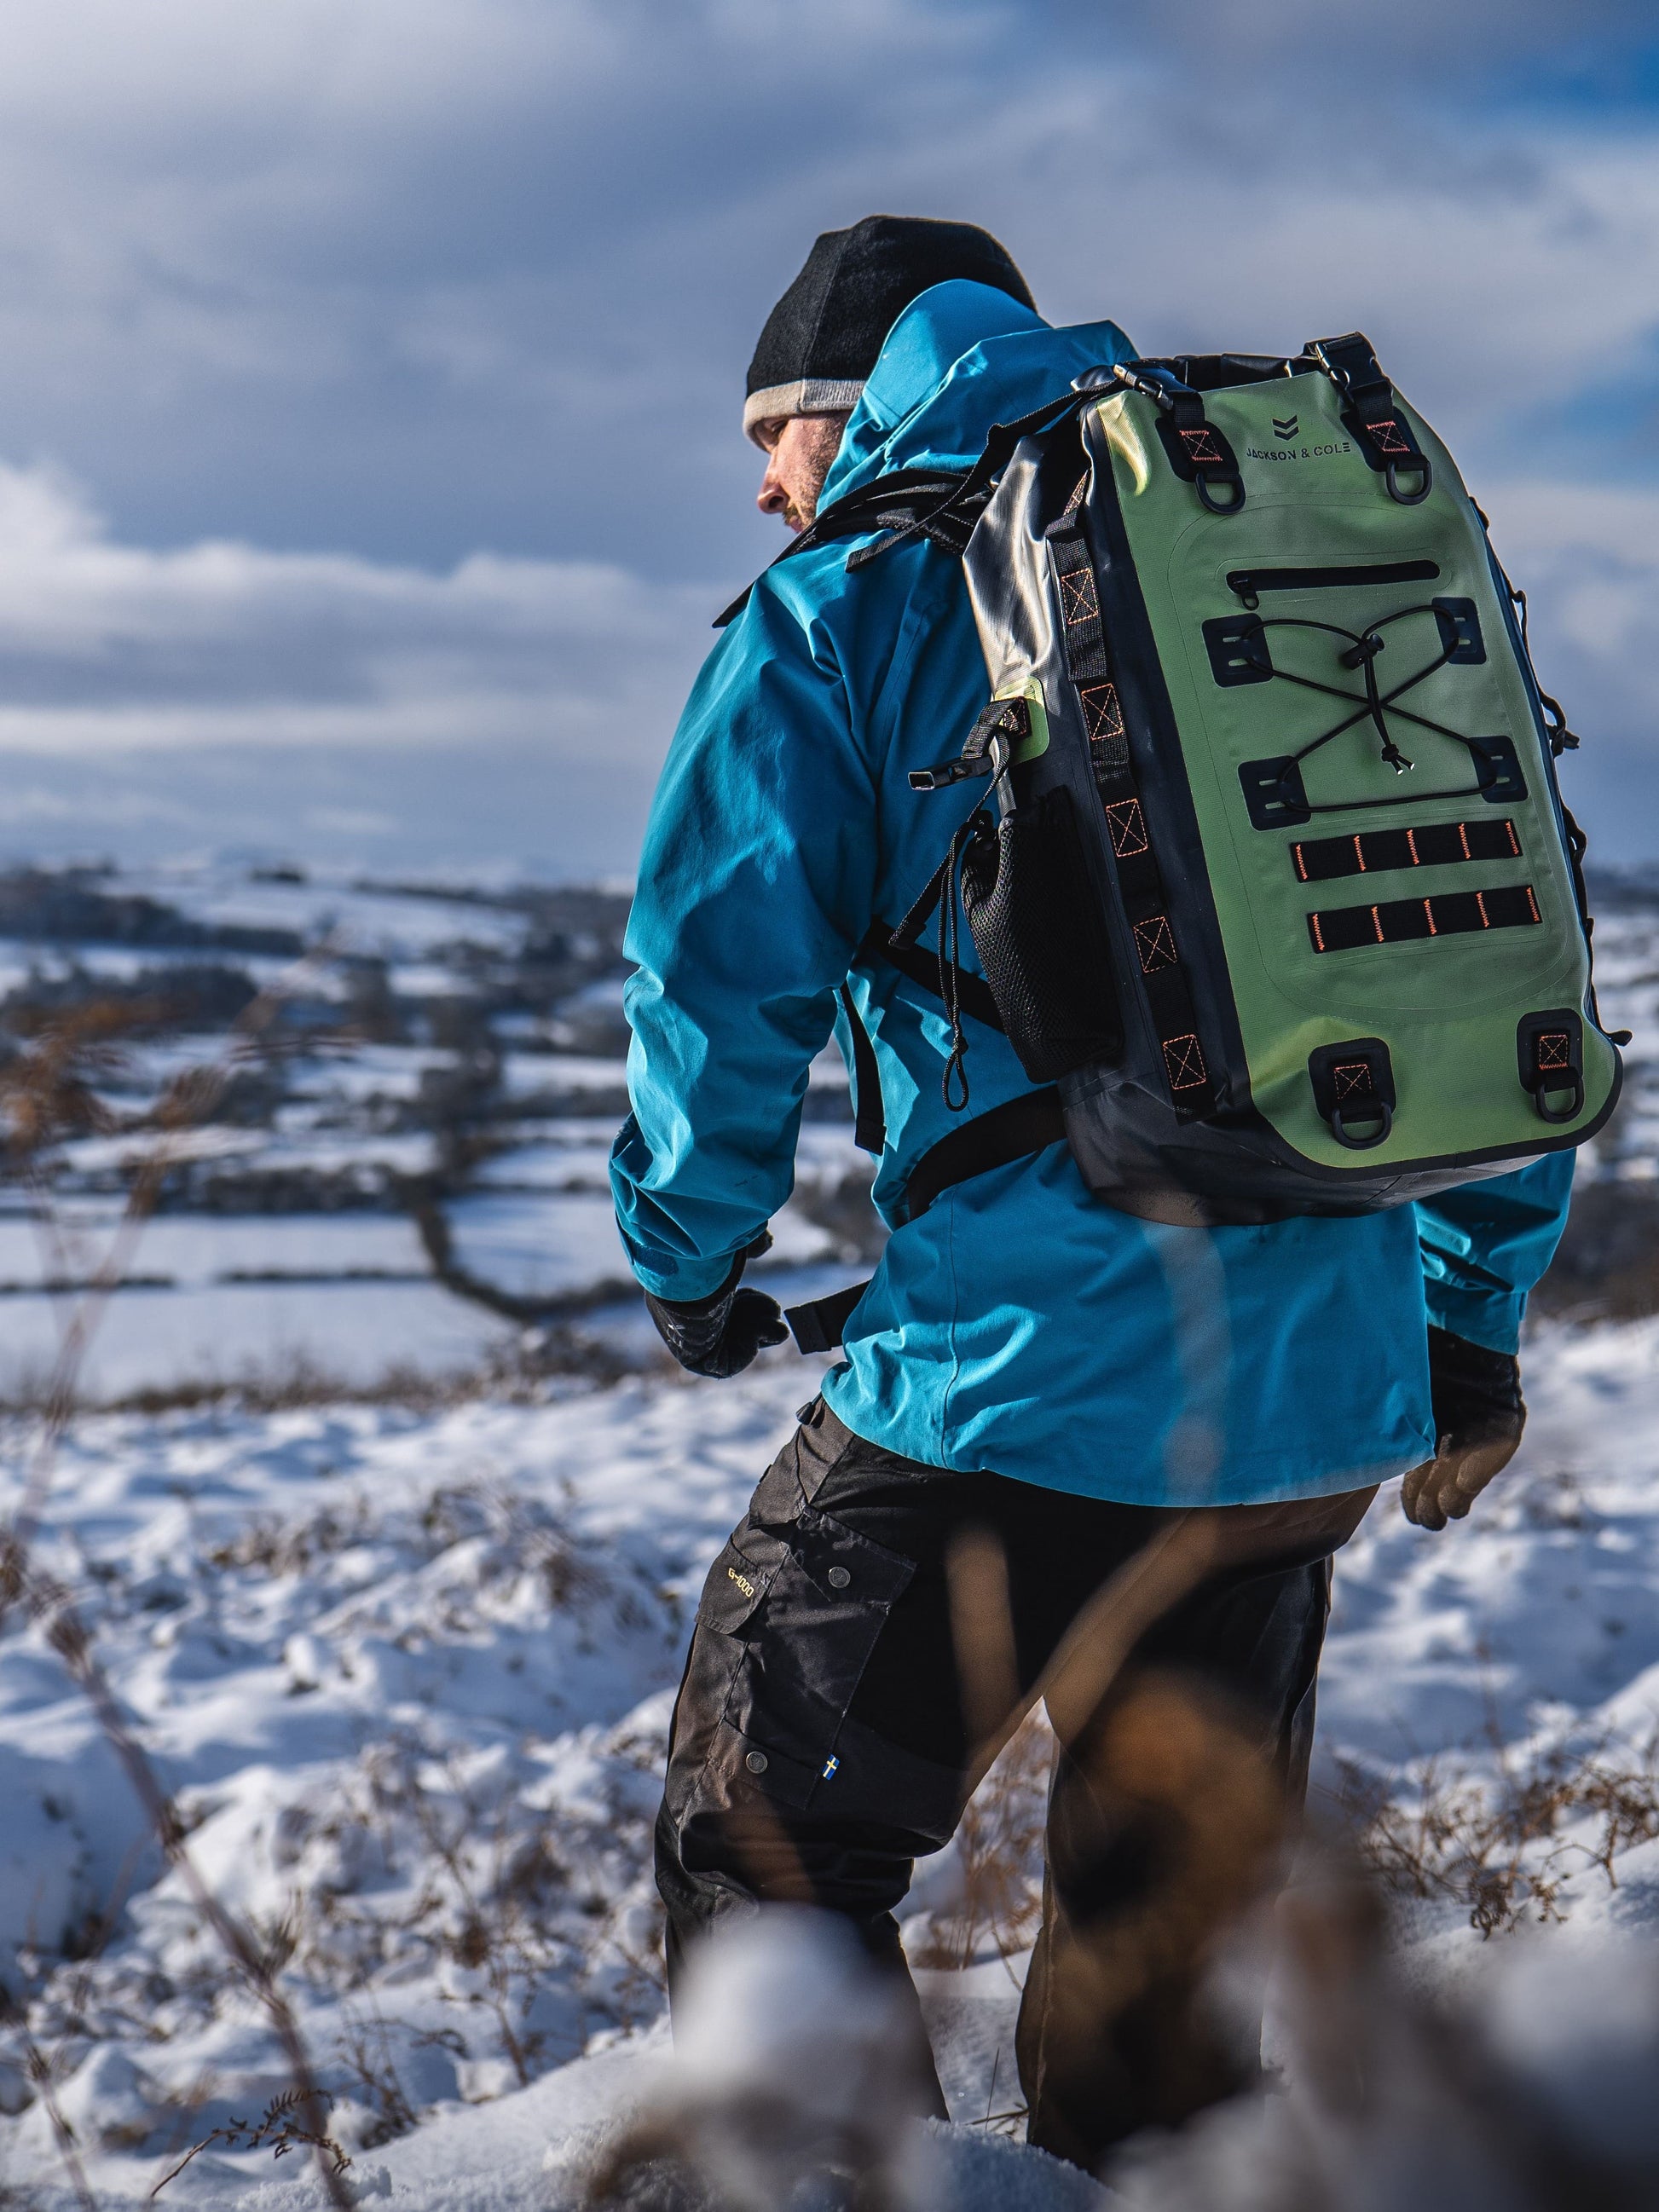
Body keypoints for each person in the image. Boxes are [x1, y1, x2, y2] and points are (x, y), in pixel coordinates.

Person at [610, 214, 1570, 2168]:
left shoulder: (845, 603)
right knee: (1168, 1943)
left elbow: (714, 976)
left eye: (768, 439)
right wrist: (1466, 1322)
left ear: (840, 404)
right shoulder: (1290, 559)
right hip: (1306, 1402)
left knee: (761, 1843)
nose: (765, 485)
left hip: (1009, 1385)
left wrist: (687, 1260)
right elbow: (1474, 961)